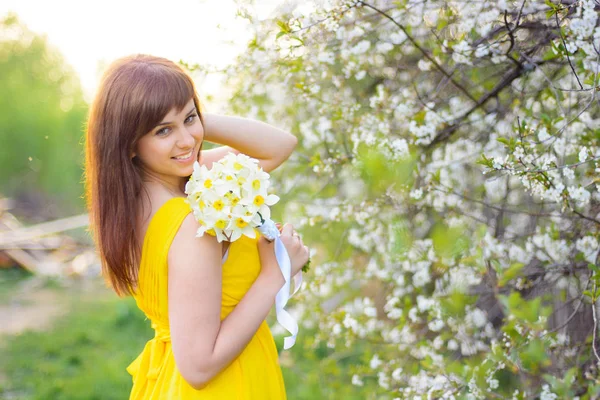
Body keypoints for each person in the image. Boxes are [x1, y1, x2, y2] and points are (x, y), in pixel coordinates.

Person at [84, 54, 309, 399]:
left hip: (170, 380)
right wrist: (274, 273)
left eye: (191, 119)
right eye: (163, 130)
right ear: (129, 141)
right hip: (226, 386)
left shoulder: (143, 195)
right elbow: (200, 366)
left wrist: (179, 113)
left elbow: (279, 146)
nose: (187, 141)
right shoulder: (192, 226)